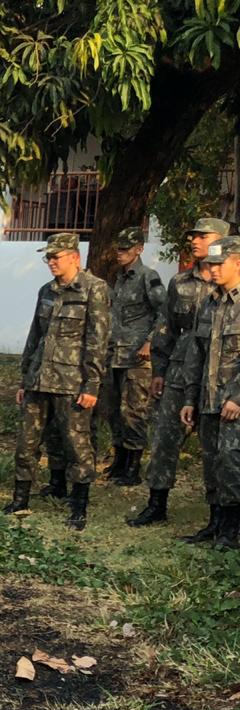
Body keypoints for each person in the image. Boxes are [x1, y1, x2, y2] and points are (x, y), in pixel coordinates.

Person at [3, 233, 112, 530]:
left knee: (77, 444)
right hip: (39, 380)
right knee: (26, 442)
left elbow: (98, 340)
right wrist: (25, 378)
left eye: (56, 257)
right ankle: (20, 499)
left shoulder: (95, 289)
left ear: (74, 257)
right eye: (48, 257)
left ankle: (78, 506)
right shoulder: (46, 290)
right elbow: (35, 336)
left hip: (71, 381)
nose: (51, 262)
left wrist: (92, 385)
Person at [129, 216, 232, 529]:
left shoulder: (230, 283)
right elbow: (166, 329)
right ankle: (156, 503)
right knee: (164, 440)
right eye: (193, 236)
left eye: (203, 236)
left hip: (219, 377)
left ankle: (218, 517)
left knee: (216, 449)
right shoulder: (180, 283)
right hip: (178, 373)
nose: (195, 241)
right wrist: (159, 369)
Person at [178, 235, 240, 549]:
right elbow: (196, 356)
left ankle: (232, 529)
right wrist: (190, 398)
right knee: (212, 462)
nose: (212, 269)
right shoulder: (210, 302)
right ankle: (215, 523)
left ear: (237, 263)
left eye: (219, 263)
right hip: (208, 399)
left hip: (234, 402)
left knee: (232, 462)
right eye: (210, 264)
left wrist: (237, 396)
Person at [95, 227, 164, 486]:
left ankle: (134, 467)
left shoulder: (148, 277)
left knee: (133, 410)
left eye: (125, 248)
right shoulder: (120, 278)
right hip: (115, 353)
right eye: (118, 248)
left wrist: (150, 342)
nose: (120, 253)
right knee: (113, 409)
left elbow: (163, 313)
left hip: (137, 358)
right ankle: (120, 460)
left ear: (139, 249)